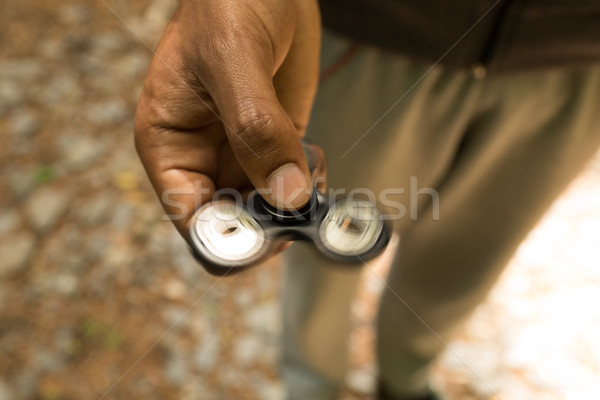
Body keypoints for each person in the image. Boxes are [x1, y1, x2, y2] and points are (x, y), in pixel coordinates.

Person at [134, 1, 600, 399]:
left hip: (579, 56)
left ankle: (406, 376)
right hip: (375, 32)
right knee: (318, 262)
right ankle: (312, 384)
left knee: (468, 257)